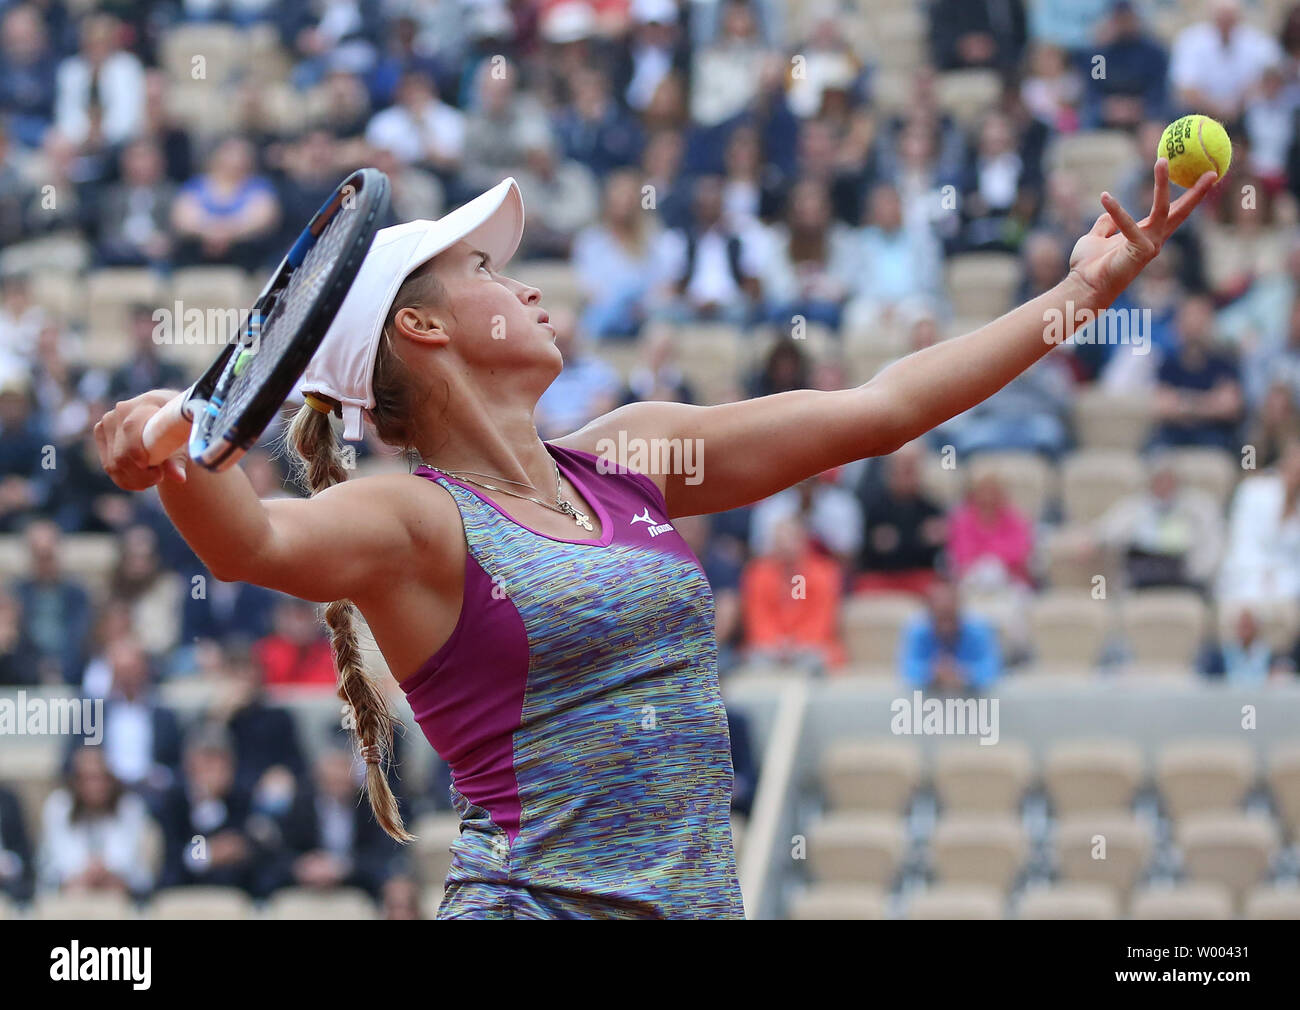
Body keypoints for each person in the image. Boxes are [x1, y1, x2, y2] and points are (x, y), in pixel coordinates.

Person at [94, 161, 1217, 919]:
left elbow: (877, 408)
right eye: (482, 270)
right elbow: (248, 541)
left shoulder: (631, 455)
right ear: (423, 326)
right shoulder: (415, 518)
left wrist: (1079, 291)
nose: (524, 282)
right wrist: (169, 456)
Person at [899, 578, 1001, 693]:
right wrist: (932, 673)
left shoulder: (978, 630)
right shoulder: (917, 630)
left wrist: (964, 674)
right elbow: (907, 669)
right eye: (941, 616)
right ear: (929, 611)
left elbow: (992, 669)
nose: (946, 623)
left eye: (949, 615)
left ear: (959, 608)